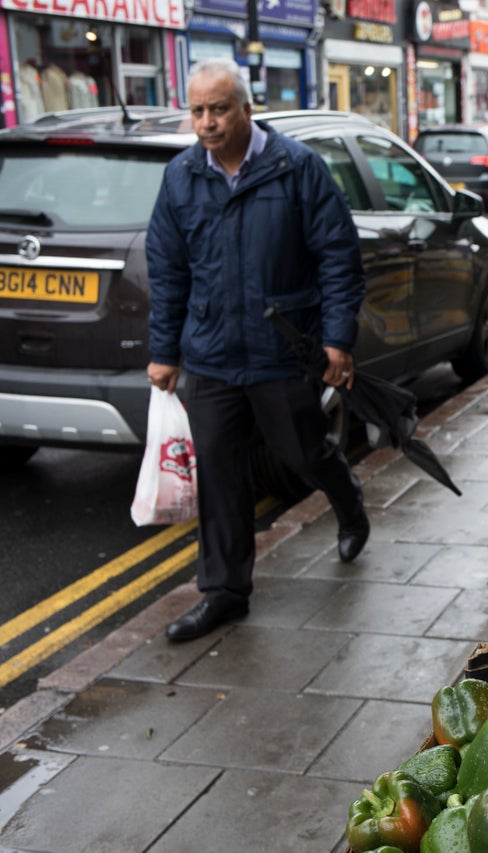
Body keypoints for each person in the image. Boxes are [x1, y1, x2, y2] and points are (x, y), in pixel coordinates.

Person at [146, 57, 369, 642]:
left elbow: (339, 257)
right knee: (219, 474)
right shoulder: (181, 177)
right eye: (197, 111)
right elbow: (168, 270)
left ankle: (348, 501)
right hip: (212, 354)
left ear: (247, 108)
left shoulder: (297, 169)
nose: (207, 122)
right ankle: (224, 593)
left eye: (219, 109)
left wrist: (337, 338)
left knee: (302, 452)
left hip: (279, 348)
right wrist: (164, 350)